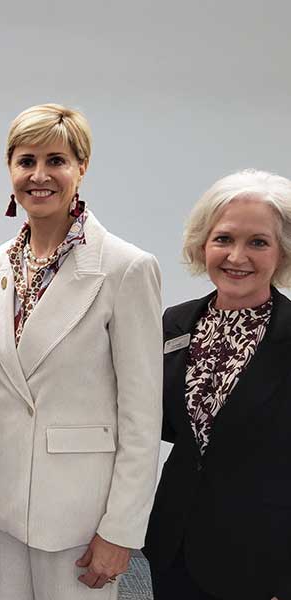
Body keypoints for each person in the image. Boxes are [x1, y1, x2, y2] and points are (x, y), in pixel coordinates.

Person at [0, 103, 163, 599]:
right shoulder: (0, 262)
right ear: (10, 169)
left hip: (80, 513)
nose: (39, 175)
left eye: (56, 160)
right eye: (26, 161)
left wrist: (120, 529)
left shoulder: (126, 268)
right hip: (2, 498)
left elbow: (142, 416)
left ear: (82, 168)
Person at [143, 169, 291, 600]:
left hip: (263, 554)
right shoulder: (175, 322)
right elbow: (166, 423)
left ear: (281, 253)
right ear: (202, 244)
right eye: (224, 238)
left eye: (258, 242)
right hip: (175, 540)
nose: (237, 257)